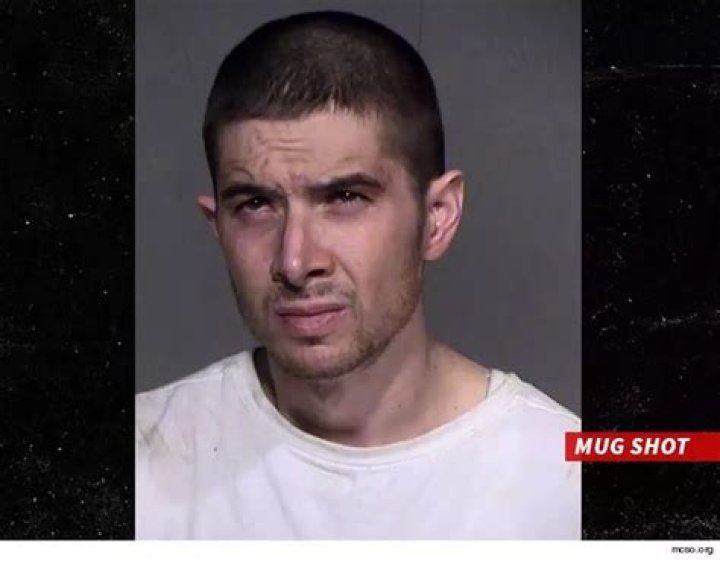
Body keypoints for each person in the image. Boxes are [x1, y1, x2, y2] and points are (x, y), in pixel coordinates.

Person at [135, 10, 580, 539]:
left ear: (437, 218)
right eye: (255, 205)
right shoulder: (142, 460)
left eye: (345, 197)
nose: (295, 262)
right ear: (218, 226)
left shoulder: (563, 482)